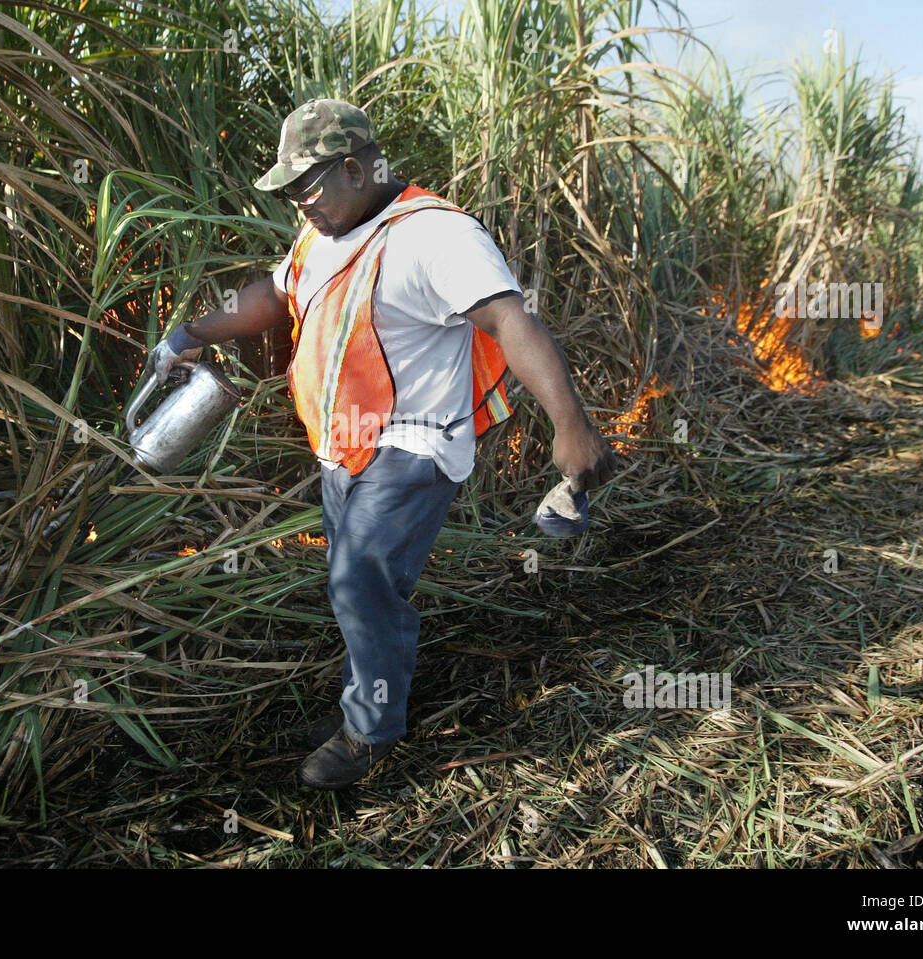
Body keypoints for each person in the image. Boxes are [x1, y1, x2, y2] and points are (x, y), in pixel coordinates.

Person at [148, 98, 617, 790]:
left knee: (357, 577)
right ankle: (369, 699)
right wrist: (191, 333)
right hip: (342, 446)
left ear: (355, 167)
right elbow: (273, 295)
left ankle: (369, 734)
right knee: (361, 586)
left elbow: (513, 322)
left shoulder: (435, 237)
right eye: (291, 190)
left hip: (416, 444)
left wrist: (570, 423)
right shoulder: (322, 228)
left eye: (307, 185)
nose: (299, 203)